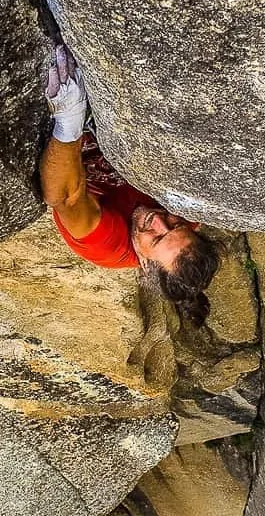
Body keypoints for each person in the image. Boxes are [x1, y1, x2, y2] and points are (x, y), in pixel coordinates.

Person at [39, 44, 220, 327]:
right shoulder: (190, 214)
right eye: (175, 226)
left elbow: (65, 198)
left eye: (157, 238)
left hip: (70, 140)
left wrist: (68, 118)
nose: (158, 221)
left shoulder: (109, 247)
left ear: (145, 265)